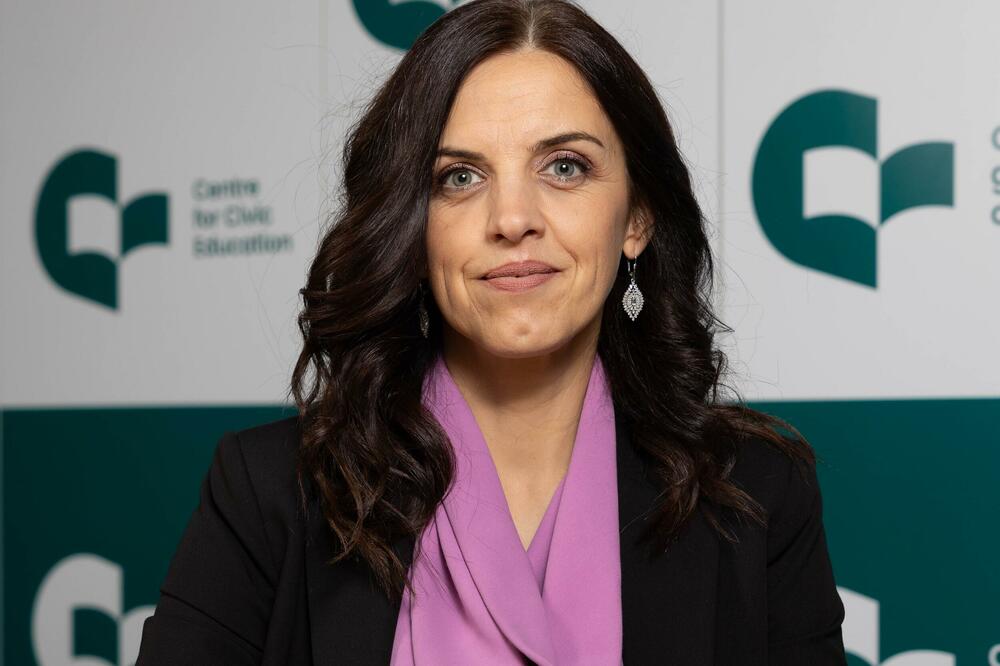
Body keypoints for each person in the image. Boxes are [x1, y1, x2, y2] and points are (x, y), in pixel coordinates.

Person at [136, 0, 847, 664]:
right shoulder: (269, 491)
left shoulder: (756, 493)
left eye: (564, 167)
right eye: (460, 177)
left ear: (636, 218)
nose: (512, 219)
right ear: (413, 229)